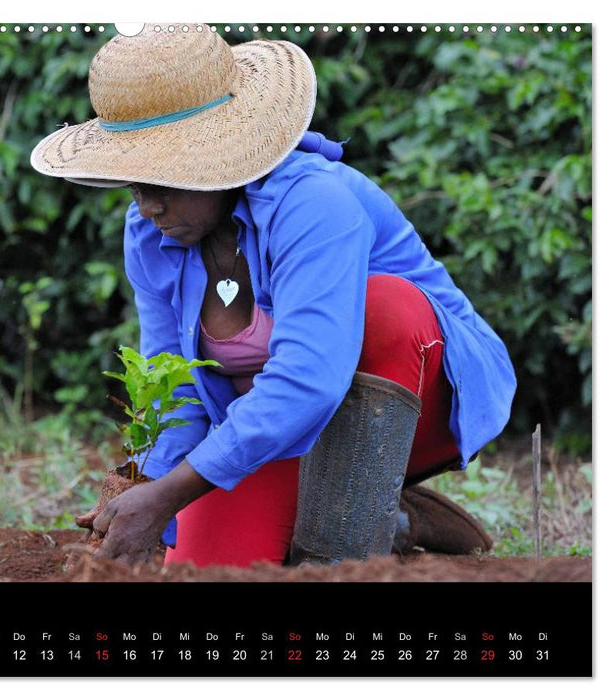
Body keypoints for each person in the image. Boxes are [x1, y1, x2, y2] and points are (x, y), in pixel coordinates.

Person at [30, 24, 516, 567]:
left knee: (382, 307)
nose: (147, 205)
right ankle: (393, 519)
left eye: (161, 181)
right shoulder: (151, 233)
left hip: (418, 398)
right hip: (276, 428)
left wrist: (169, 494)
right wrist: (151, 490)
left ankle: (349, 539)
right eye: (133, 183)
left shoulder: (313, 202)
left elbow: (310, 377)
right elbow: (174, 379)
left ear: (215, 159)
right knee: (202, 569)